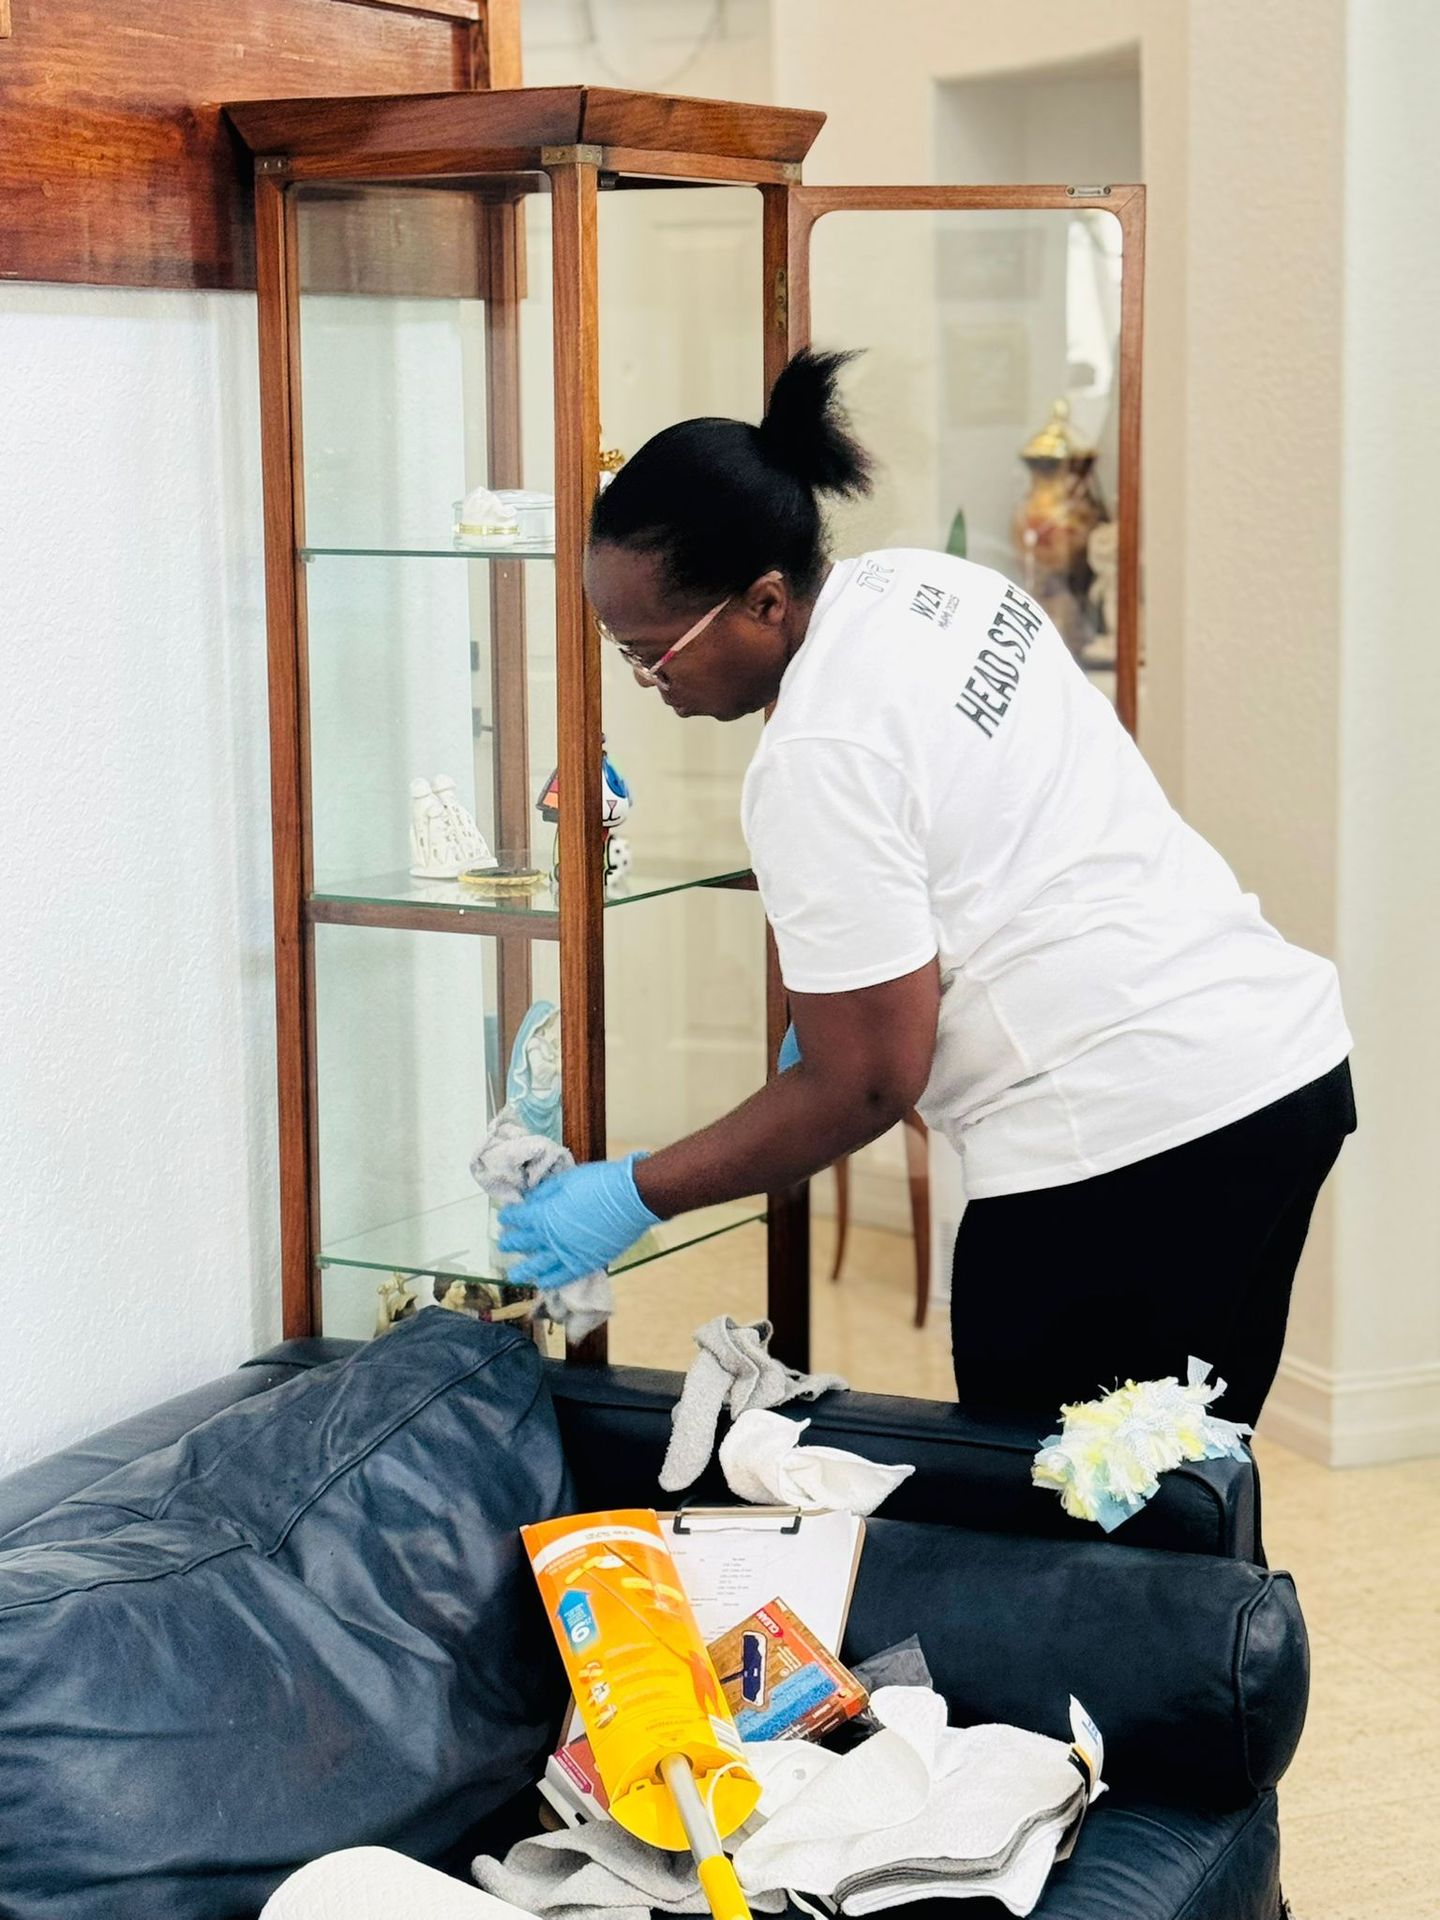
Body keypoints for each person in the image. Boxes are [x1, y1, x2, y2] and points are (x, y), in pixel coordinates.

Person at [499, 349, 1355, 1426]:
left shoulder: (814, 756)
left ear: (765, 601)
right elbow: (976, 823)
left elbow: (866, 1085)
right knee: (1178, 1493)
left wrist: (633, 1194)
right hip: (1271, 1075)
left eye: (654, 654)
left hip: (1120, 1141)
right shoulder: (935, 587)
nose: (648, 681)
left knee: (1050, 1531)